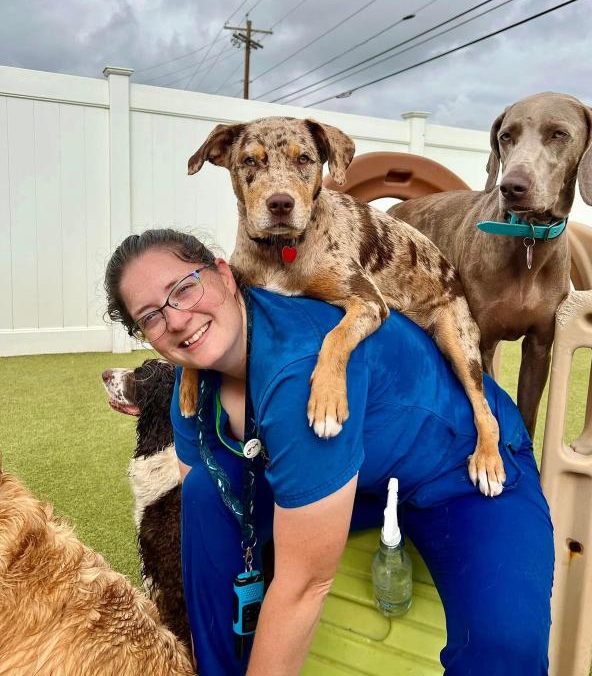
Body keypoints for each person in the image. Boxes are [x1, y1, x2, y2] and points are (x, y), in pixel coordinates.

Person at [104, 228, 554, 676]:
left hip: (460, 470)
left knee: (505, 649)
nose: (177, 319)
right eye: (151, 317)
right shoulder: (193, 386)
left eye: (184, 288)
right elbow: (207, 510)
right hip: (356, 481)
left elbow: (304, 585)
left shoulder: (298, 368)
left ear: (224, 272)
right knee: (204, 493)